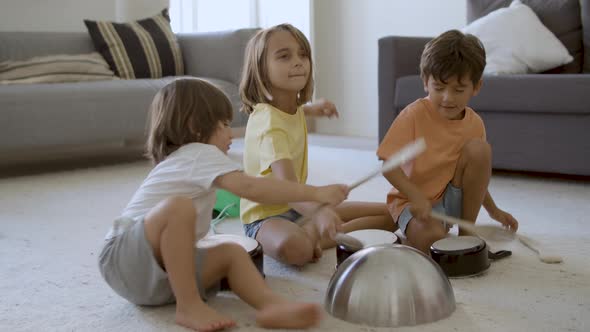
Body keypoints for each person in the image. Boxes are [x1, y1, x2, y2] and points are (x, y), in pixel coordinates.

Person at [98, 78, 349, 332]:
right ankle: (189, 305)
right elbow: (252, 188)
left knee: (232, 253)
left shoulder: (188, 162)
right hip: (121, 257)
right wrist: (316, 193)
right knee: (179, 207)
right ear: (196, 127)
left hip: (155, 279)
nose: (231, 134)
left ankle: (271, 305)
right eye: (224, 125)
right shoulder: (197, 152)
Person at [239, 23, 394, 266]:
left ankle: (317, 230)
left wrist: (313, 109)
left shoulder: (288, 106)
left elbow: (293, 113)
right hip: (266, 217)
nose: (298, 62)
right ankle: (314, 232)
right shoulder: (268, 125)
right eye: (284, 56)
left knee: (393, 213)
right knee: (297, 250)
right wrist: (318, 211)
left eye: (303, 54)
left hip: (298, 205)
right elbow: (286, 188)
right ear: (260, 70)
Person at [377, 30, 519, 254]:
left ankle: (467, 231)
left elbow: (476, 179)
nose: (447, 98)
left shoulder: (474, 123)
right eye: (439, 88)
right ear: (425, 82)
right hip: (412, 204)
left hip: (450, 201)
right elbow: (387, 166)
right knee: (434, 245)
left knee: (480, 150)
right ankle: (427, 231)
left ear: (476, 87)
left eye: (458, 90)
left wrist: (493, 210)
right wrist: (415, 196)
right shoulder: (413, 115)